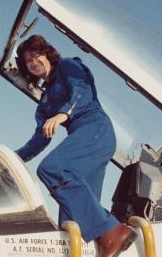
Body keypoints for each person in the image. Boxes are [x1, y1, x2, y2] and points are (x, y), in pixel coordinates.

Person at [14, 35, 136, 257]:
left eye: (36, 55)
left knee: (52, 168)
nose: (33, 62)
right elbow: (39, 139)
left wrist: (63, 113)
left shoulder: (68, 66)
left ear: (46, 53)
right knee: (71, 219)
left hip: (95, 129)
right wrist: (13, 158)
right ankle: (106, 239)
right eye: (27, 61)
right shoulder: (45, 101)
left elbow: (82, 91)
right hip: (83, 138)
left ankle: (114, 231)